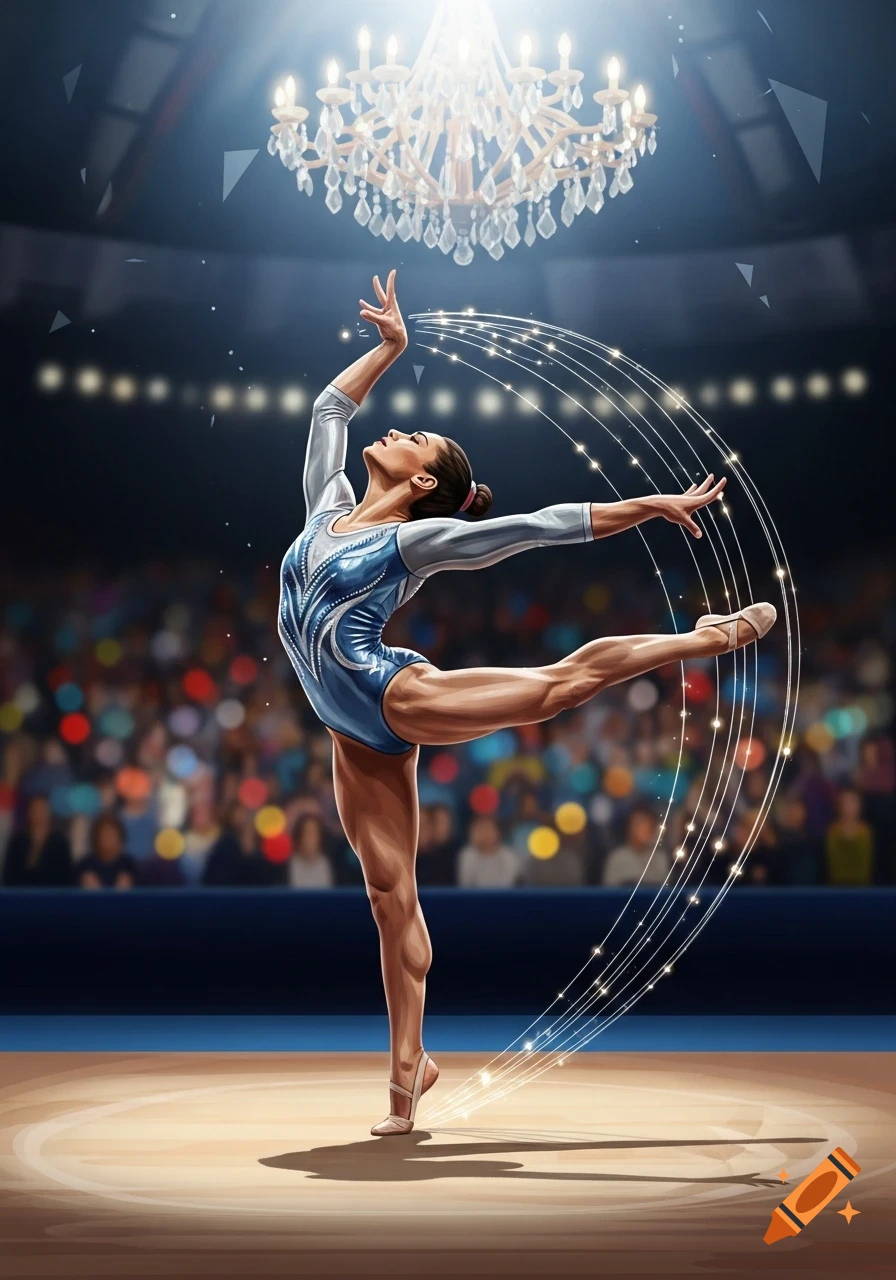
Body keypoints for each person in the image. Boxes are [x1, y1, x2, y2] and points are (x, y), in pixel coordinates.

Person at [276, 267, 778, 1136]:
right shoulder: (325, 507)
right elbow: (329, 408)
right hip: (343, 729)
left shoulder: (417, 539)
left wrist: (649, 505)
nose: (393, 429)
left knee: (550, 691)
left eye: (415, 438)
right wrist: (391, 347)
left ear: (424, 482)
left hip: (387, 694)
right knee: (390, 896)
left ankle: (702, 638)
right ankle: (408, 1075)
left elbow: (540, 525)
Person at [2, 794, 73, 887]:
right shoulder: (18, 841)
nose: (38, 814)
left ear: (49, 813)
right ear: (28, 813)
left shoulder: (59, 842)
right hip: (21, 895)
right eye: (35, 810)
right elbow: (8, 875)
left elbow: (66, 876)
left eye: (42, 809)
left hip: (52, 895)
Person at [602, 807, 670, 887]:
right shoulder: (617, 858)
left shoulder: (660, 858)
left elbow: (665, 890)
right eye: (638, 824)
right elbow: (609, 891)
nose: (643, 829)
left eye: (647, 825)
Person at [824, 786, 874, 886]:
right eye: (846, 802)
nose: (850, 806)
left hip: (862, 887)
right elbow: (834, 863)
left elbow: (864, 863)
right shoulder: (832, 832)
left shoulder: (866, 832)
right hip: (837, 887)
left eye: (853, 802)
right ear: (840, 805)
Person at [77, 814, 138, 890]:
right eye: (104, 835)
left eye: (112, 835)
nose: (108, 840)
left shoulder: (129, 865)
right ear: (96, 838)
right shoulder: (85, 866)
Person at [457, 815, 519, 888]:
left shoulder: (509, 855)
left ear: (497, 832)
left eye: (488, 829)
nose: (485, 833)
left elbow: (507, 886)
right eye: (480, 829)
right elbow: (465, 885)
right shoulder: (467, 854)